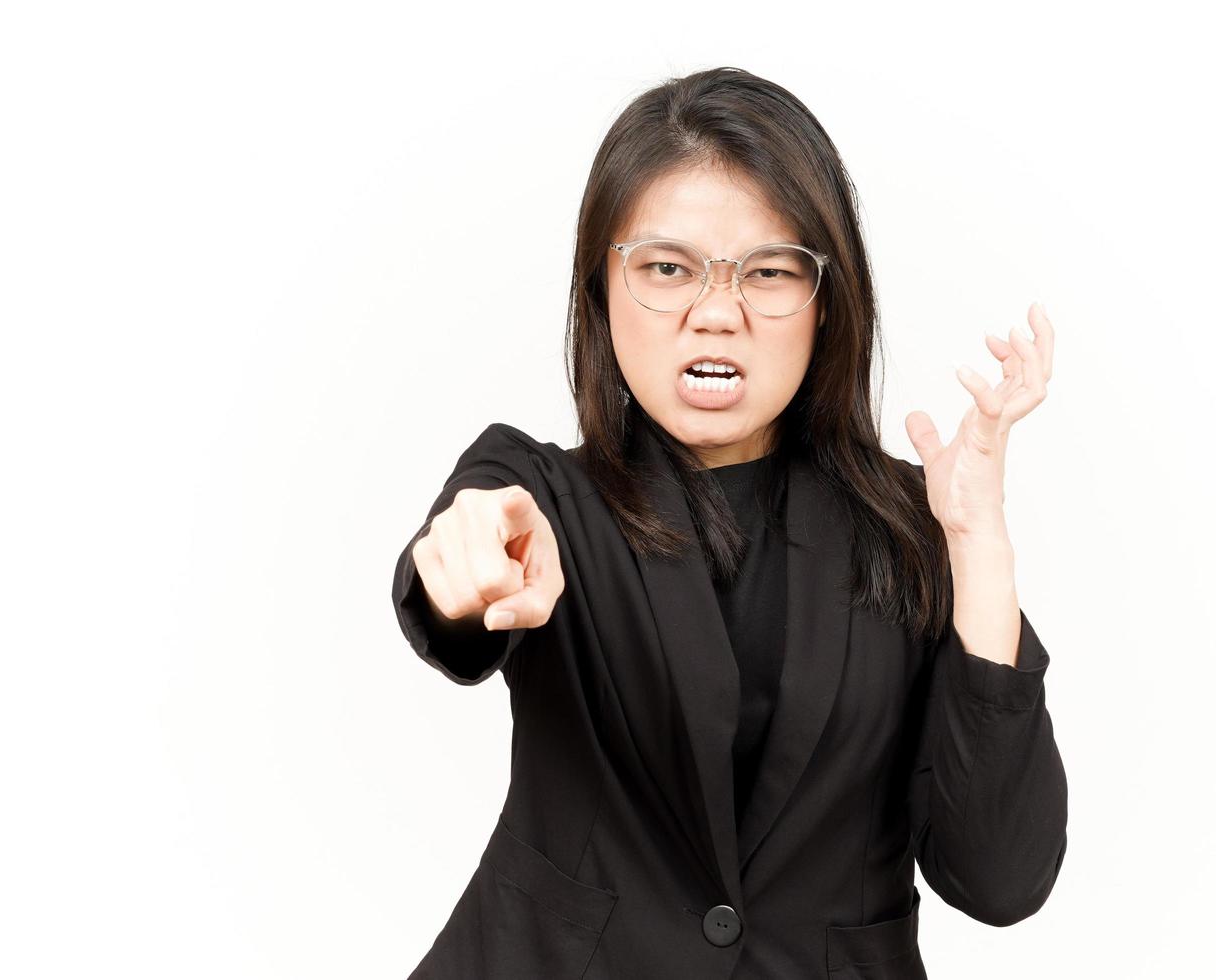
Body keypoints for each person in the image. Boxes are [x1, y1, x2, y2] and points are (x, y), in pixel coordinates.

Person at [390, 66, 1067, 980]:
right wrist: (465, 568)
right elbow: (460, 570)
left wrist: (980, 554)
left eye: (770, 271)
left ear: (827, 305)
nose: (717, 312)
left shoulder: (920, 527)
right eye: (667, 268)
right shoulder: (537, 495)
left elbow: (1000, 878)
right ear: (602, 288)